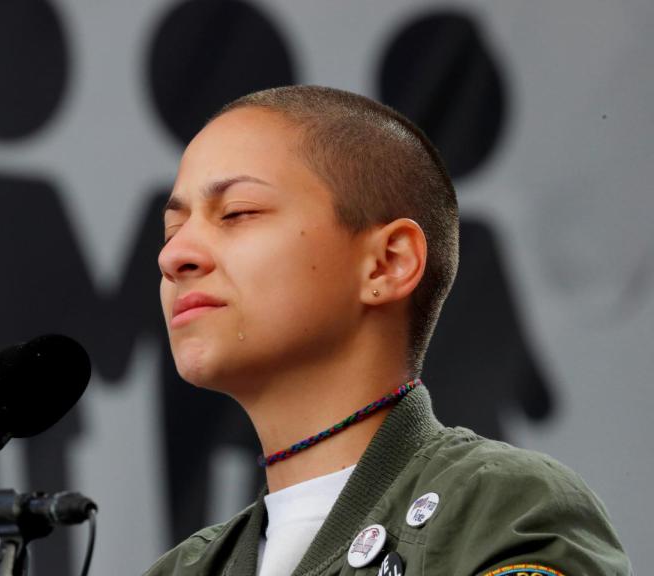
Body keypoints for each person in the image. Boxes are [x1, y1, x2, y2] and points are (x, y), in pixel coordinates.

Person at [144, 86, 631, 576]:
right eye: (171, 232)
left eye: (237, 212)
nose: (173, 256)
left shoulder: (503, 510)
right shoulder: (184, 568)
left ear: (387, 264)